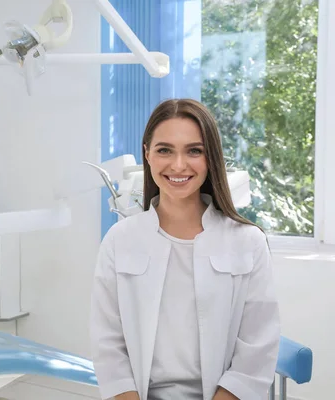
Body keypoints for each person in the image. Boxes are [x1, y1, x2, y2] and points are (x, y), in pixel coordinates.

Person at [89, 98, 280, 400]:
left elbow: (256, 352)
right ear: (147, 155)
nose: (179, 165)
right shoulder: (119, 240)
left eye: (194, 151)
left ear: (211, 158)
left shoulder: (248, 241)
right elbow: (107, 346)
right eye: (165, 150)